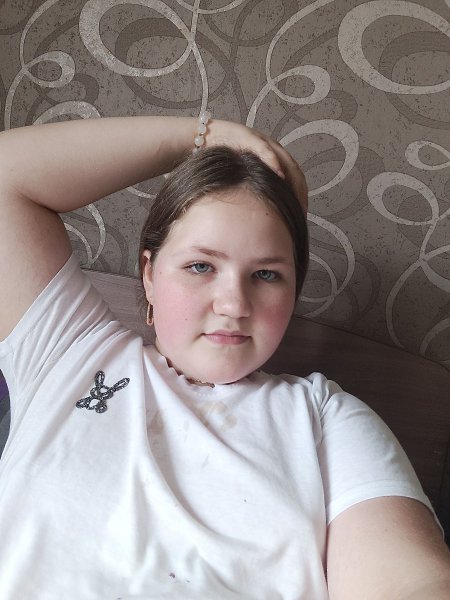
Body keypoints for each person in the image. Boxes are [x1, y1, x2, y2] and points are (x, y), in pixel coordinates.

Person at [0, 114, 448, 600]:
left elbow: (410, 582)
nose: (234, 304)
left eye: (267, 275)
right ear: (149, 273)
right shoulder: (66, 351)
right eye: (200, 266)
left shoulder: (326, 419)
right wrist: (204, 135)